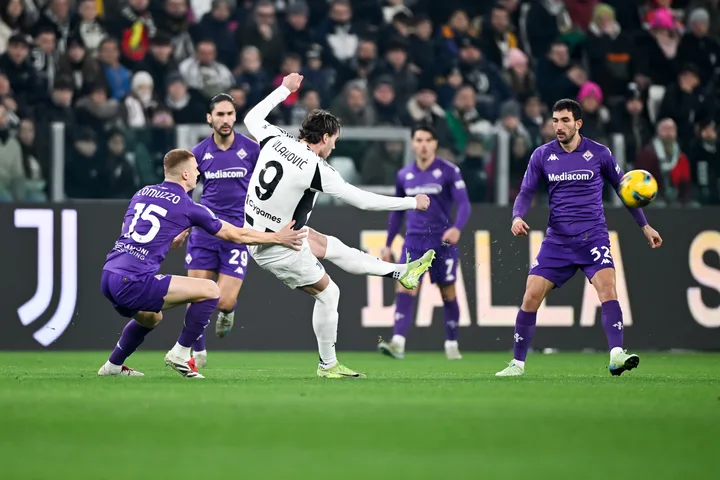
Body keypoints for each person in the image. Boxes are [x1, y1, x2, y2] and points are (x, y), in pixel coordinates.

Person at [243, 72, 435, 378]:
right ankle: (328, 364)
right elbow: (363, 201)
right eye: (333, 141)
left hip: (266, 233)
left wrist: (283, 89)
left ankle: (401, 272)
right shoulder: (317, 168)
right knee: (329, 294)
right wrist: (411, 202)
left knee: (330, 245)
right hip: (275, 245)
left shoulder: (276, 138)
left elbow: (252, 117)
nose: (334, 147)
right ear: (323, 139)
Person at [97, 149, 305, 379]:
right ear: (185, 174)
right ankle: (181, 353)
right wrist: (278, 237)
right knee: (210, 290)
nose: (199, 173)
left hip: (109, 274)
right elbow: (235, 235)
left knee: (151, 317)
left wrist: (173, 240)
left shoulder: (142, 193)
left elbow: (129, 234)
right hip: (133, 281)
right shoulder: (187, 206)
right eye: (196, 169)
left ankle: (112, 366)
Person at [495, 99, 663, 377]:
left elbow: (625, 191)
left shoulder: (600, 153)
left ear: (578, 123)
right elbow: (526, 192)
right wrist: (516, 217)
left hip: (593, 237)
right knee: (531, 296)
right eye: (555, 120)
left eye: (564, 121)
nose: (558, 126)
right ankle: (517, 364)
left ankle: (616, 355)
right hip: (558, 241)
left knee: (608, 289)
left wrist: (644, 226)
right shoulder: (541, 155)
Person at [377, 125, 471, 360]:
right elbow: (397, 212)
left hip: (442, 242)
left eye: (428, 140)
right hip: (414, 240)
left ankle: (451, 344)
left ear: (435, 143)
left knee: (448, 292)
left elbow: (464, 204)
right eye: (419, 140)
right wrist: (388, 243)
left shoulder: (449, 171)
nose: (423, 144)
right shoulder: (404, 175)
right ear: (412, 143)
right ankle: (398, 342)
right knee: (405, 286)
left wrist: (457, 228)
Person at [183, 93, 261, 370]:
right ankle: (197, 352)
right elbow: (185, 194)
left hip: (238, 233)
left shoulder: (252, 151)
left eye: (229, 114)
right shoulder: (198, 154)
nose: (225, 119)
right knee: (197, 294)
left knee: (223, 300)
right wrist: (183, 227)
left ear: (235, 117)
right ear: (209, 118)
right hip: (205, 233)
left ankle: (228, 311)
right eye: (220, 114)